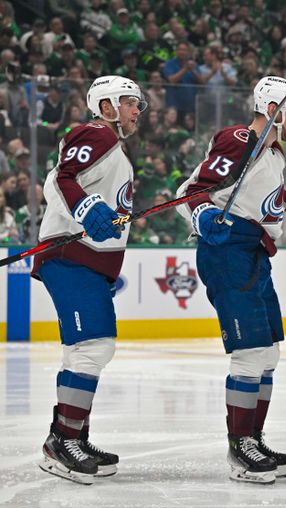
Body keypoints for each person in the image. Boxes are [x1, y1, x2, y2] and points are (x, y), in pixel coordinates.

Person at [176, 76, 286, 484]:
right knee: (250, 352)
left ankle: (254, 436)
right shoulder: (238, 140)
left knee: (268, 353)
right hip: (228, 251)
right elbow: (194, 190)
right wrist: (202, 215)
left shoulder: (272, 153)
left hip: (254, 253)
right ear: (273, 109)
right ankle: (239, 446)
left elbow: (268, 203)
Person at [32, 75, 145, 484]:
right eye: (131, 102)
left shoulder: (112, 146)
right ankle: (62, 442)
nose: (138, 110)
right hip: (70, 255)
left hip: (87, 260)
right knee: (94, 346)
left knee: (83, 350)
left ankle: (73, 434)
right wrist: (85, 209)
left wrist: (99, 213)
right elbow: (62, 178)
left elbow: (67, 181)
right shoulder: (96, 132)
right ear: (108, 105)